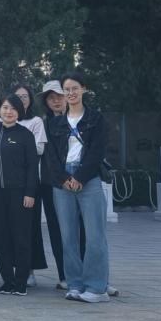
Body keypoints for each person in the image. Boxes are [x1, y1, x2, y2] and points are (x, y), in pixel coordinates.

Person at [44, 73, 111, 303]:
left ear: (83, 89)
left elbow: (97, 151)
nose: (71, 93)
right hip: (62, 181)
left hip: (88, 178)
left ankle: (97, 287)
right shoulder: (54, 123)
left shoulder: (95, 118)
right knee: (68, 236)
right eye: (67, 89)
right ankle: (74, 284)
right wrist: (64, 178)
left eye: (75, 88)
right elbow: (51, 156)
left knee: (95, 236)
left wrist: (80, 176)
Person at [0, 95, 41, 296]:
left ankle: (21, 282)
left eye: (13, 108)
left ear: (19, 112)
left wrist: (30, 193)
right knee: (1, 239)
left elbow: (32, 167)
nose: (9, 112)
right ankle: (7, 281)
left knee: (21, 238)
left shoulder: (25, 134)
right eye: (5, 108)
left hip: (20, 194)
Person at [13, 83, 49, 288]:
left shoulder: (35, 121)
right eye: (17, 96)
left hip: (29, 181)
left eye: (24, 96)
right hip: (8, 183)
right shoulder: (2, 120)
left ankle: (29, 270)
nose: (21, 100)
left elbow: (39, 149)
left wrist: (15, 147)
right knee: (12, 228)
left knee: (30, 228)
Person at [37, 80, 68, 289]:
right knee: (56, 229)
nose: (56, 101)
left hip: (79, 182)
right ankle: (64, 275)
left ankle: (92, 275)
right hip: (51, 184)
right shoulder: (43, 124)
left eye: (59, 96)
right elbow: (47, 156)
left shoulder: (79, 120)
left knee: (83, 230)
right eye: (51, 98)